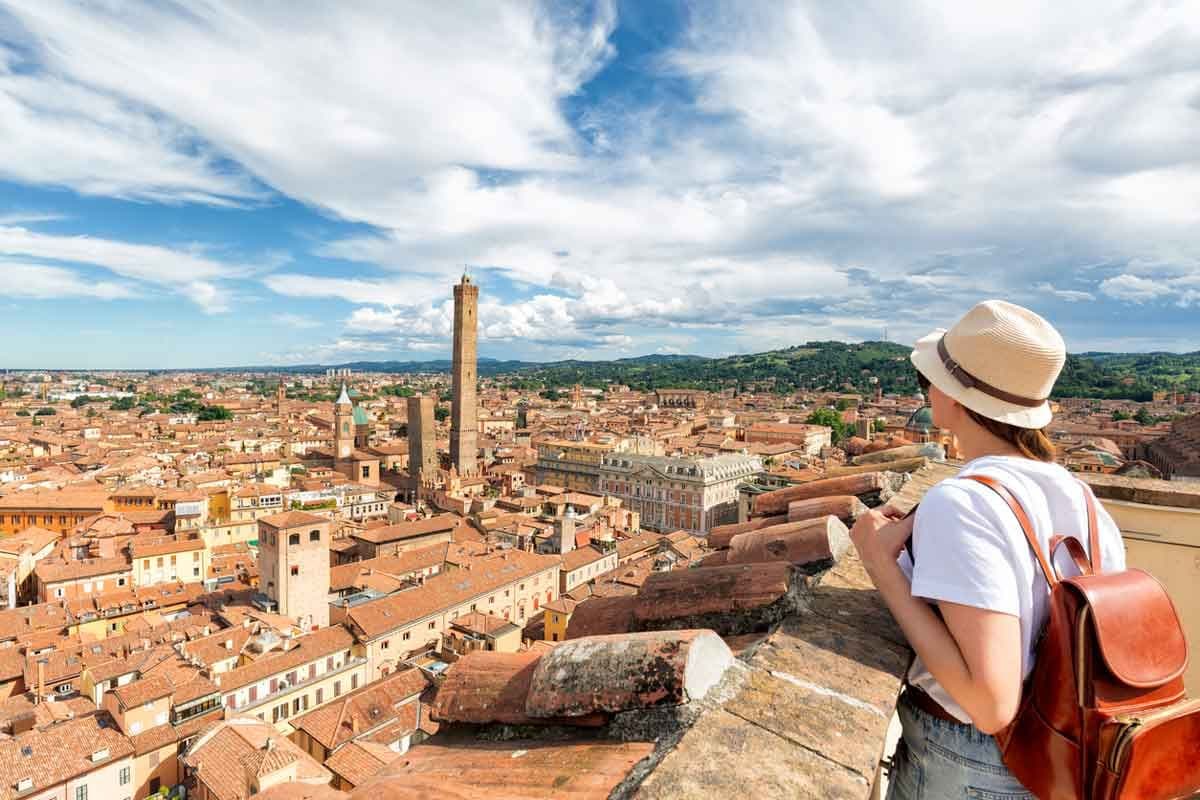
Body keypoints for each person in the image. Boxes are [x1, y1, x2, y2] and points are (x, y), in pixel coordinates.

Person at [849, 300, 1126, 800]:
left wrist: (878, 565)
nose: (927, 389)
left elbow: (990, 702)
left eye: (928, 380)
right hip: (1058, 751)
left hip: (974, 762)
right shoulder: (1082, 499)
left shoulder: (962, 502)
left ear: (955, 398)